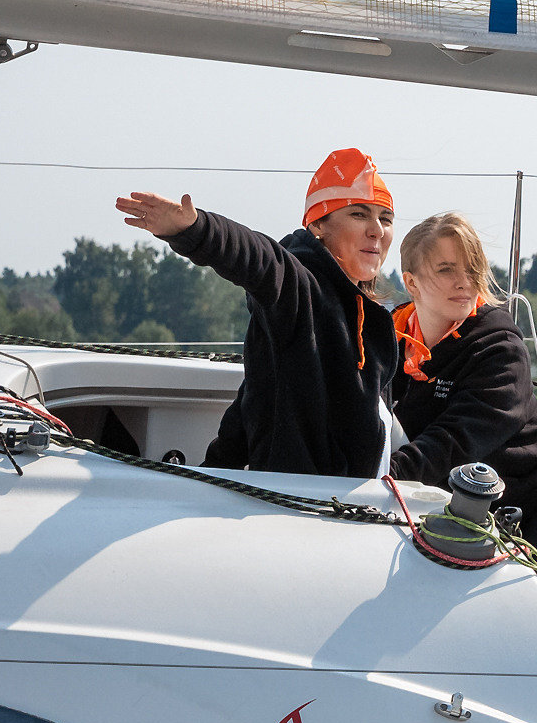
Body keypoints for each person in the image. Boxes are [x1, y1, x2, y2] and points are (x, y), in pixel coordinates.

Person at [115, 148, 398, 477]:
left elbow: (259, 395)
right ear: (319, 223)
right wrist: (196, 229)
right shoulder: (300, 286)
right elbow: (259, 259)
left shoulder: (371, 317)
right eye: (359, 215)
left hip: (357, 510)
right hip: (304, 510)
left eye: (386, 218)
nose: (377, 230)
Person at [388, 212, 537, 611]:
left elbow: (455, 442)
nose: (466, 280)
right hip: (473, 516)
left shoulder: (499, 347)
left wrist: (378, 476)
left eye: (472, 268)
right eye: (446, 269)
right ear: (411, 282)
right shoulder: (387, 341)